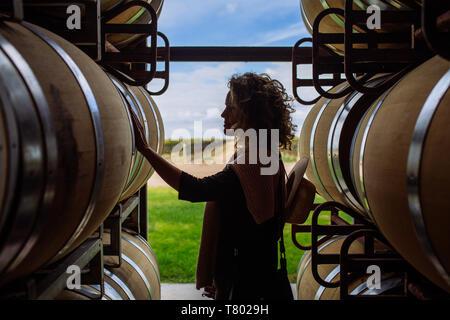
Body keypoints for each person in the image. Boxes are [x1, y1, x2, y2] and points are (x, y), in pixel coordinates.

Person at [128, 72, 296, 300]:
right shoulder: (262, 153)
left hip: (247, 282)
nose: (223, 113)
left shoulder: (254, 160)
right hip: (250, 274)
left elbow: (196, 189)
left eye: (231, 107)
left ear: (249, 113)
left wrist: (146, 150)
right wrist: (223, 277)